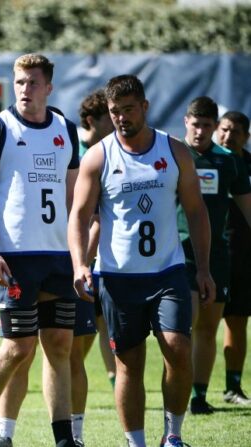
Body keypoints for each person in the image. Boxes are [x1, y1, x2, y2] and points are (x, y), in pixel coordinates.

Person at [69, 74, 213, 447]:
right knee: (128, 365)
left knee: (178, 349)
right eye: (115, 111)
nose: (121, 118)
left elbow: (196, 212)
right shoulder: (98, 156)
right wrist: (80, 264)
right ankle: (136, 443)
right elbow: (79, 217)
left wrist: (204, 268)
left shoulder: (174, 150)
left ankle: (174, 434)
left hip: (168, 272)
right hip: (118, 278)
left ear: (145, 107)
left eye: (128, 110)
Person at [0, 53, 80, 447]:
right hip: (15, 258)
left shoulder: (66, 129)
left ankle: (63, 438)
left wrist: (79, 253)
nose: (24, 89)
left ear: (49, 86)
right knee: (17, 348)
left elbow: (73, 199)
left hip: (58, 257)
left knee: (60, 345)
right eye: (19, 82)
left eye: (32, 82)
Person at [177, 98, 251, 415]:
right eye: (196, 124)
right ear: (186, 122)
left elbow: (247, 207)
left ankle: (198, 396)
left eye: (207, 125)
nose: (201, 131)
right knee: (184, 328)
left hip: (217, 256)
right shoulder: (173, 155)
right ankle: (177, 394)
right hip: (179, 253)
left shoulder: (228, 162)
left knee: (208, 328)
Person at [76, 89, 117, 389]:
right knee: (81, 331)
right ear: (92, 120)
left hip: (106, 256)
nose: (117, 123)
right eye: (110, 117)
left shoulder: (115, 152)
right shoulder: (73, 154)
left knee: (106, 323)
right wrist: (82, 260)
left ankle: (117, 381)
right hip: (80, 256)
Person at [217, 111, 251, 406]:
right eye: (224, 130)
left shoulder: (248, 166)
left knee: (237, 322)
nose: (228, 136)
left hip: (243, 258)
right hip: (208, 257)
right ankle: (193, 391)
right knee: (195, 325)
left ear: (246, 137)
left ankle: (233, 387)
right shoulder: (201, 161)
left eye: (236, 132)